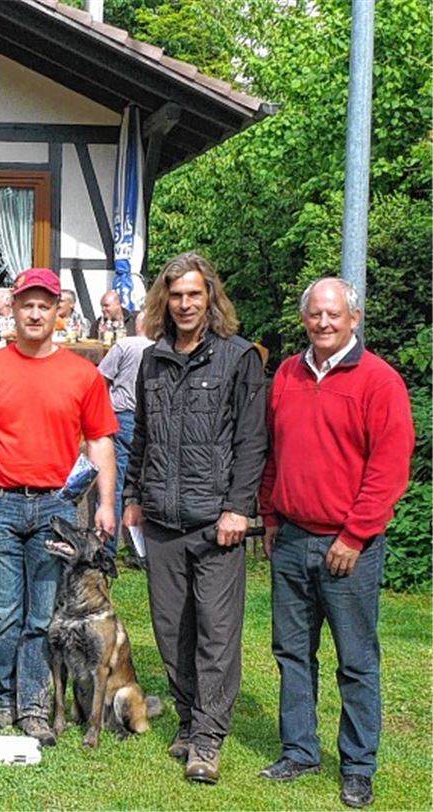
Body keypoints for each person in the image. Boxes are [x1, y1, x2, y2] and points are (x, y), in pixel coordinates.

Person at [0, 267, 118, 747]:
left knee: (42, 617)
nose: (35, 314)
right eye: (27, 305)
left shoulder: (83, 374)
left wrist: (106, 503)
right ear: (13, 310)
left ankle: (36, 706)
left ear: (58, 312)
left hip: (55, 509)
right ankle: (7, 698)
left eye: (45, 305)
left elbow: (100, 441)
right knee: (5, 615)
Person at [258, 278, 414, 809]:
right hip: (291, 537)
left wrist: (355, 535)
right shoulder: (287, 374)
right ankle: (300, 751)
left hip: (349, 547)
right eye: (315, 314)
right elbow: (274, 453)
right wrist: (270, 515)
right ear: (304, 318)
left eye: (334, 314)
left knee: (356, 660)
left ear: (354, 318)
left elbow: (389, 469)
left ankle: (358, 766)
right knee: (292, 653)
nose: (323, 323)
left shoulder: (379, 381)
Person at [123, 252, 266, 785]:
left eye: (194, 294)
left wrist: (238, 508)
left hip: (215, 523)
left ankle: (207, 737)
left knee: (216, 635)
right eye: (176, 295)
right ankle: (187, 719)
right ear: (165, 301)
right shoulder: (152, 360)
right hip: (161, 519)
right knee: (170, 630)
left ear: (210, 298)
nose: (185, 304)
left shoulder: (238, 357)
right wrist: (133, 494)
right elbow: (141, 435)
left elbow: (252, 442)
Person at [96, 311, 152, 561]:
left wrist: (103, 410)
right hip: (151, 420)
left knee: (114, 485)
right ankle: (144, 552)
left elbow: (100, 379)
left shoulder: (125, 345)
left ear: (137, 325)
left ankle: (105, 549)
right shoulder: (162, 348)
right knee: (145, 484)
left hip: (124, 416)